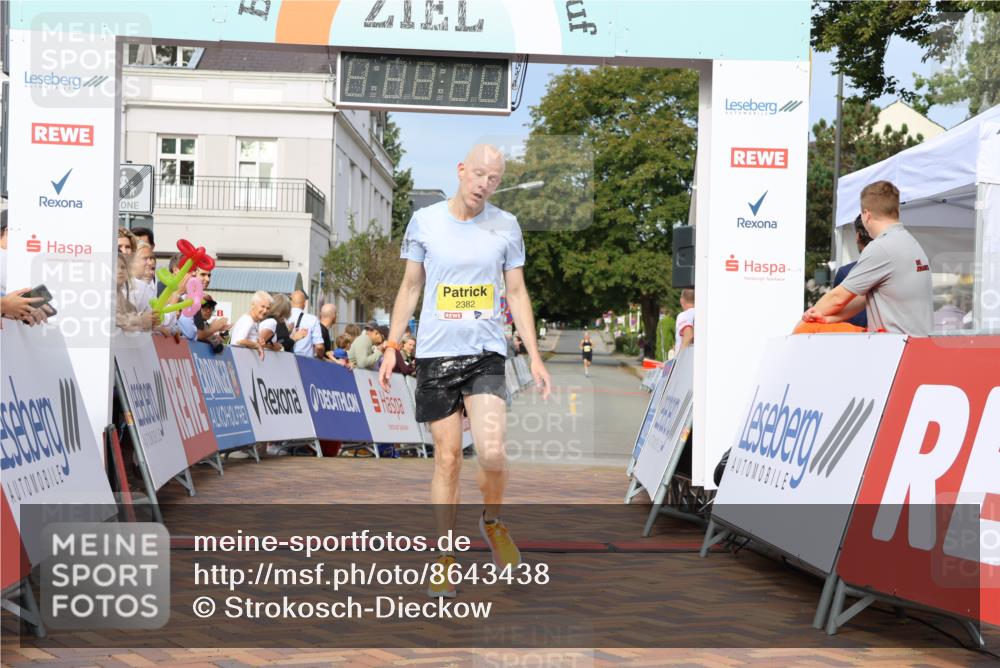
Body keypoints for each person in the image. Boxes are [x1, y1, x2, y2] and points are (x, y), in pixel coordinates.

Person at [379, 143, 552, 598]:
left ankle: (492, 521)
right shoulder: (426, 222)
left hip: (486, 353)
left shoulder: (506, 227)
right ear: (461, 170)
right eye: (478, 174)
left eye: (493, 179)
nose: (484, 185)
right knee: (449, 459)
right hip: (437, 355)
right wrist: (392, 345)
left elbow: (516, 293)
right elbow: (410, 286)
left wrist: (533, 354)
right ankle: (445, 556)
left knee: (492, 453)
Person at [803, 180, 932, 335]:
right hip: (916, 345)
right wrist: (829, 318)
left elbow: (837, 297)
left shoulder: (881, 247)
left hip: (896, 348)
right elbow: (865, 298)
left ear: (866, 215)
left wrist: (808, 317)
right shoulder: (911, 243)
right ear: (896, 210)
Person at [831, 215, 873, 330]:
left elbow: (835, 310)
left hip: (853, 340)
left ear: (858, 237)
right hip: (893, 341)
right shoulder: (897, 270)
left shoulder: (846, 273)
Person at [230, 290, 272, 359]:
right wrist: (257, 345)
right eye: (262, 306)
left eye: (268, 308)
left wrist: (257, 341)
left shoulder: (254, 321)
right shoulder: (248, 320)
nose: (265, 311)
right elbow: (239, 341)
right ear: (253, 305)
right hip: (239, 360)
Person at [289, 290, 325, 359]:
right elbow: (319, 347)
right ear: (304, 303)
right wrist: (320, 357)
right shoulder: (312, 319)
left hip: (285, 360)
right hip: (305, 362)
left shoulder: (283, 317)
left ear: (290, 302)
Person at [129, 241, 157, 313]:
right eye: (145, 258)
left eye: (151, 258)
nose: (150, 262)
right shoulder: (123, 286)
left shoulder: (149, 285)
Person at [674, 289, 695, 355]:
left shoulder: (684, 315)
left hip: (685, 360)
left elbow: (688, 335)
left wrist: (678, 358)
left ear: (682, 300)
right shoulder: (702, 314)